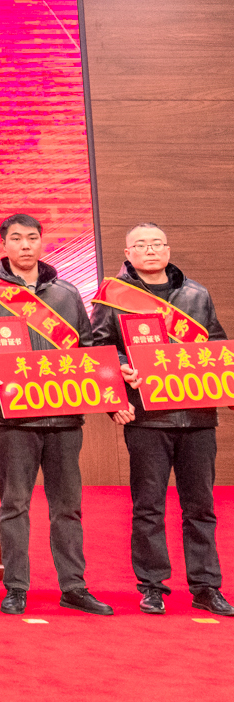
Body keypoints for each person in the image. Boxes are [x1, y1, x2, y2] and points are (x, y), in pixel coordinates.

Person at [0, 213, 112, 616]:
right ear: (4, 245)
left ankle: (73, 586)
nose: (25, 245)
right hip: (13, 421)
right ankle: (16, 587)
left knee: (67, 507)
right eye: (16, 238)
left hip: (65, 418)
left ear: (42, 242)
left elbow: (89, 348)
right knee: (14, 505)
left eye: (31, 238)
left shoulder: (67, 293)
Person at [92, 223, 232, 616]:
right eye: (141, 245)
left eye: (157, 244)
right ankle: (152, 586)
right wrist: (121, 372)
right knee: (148, 506)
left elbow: (216, 344)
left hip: (198, 417)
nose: (150, 250)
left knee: (201, 507)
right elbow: (99, 349)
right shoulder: (112, 296)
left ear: (168, 249)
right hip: (147, 417)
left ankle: (206, 586)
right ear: (128, 253)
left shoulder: (196, 294)